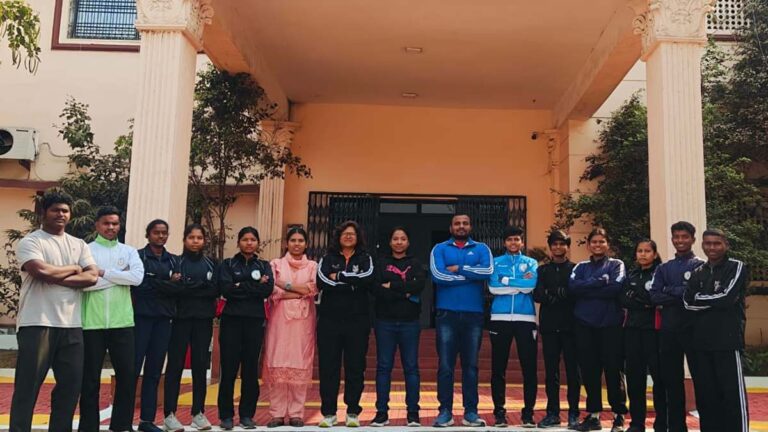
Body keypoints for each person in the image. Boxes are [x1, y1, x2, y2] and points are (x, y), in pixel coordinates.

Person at [9, 189, 99, 432]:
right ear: (43, 212)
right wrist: (73, 268)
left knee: (70, 389)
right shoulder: (32, 241)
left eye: (65, 210)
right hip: (37, 323)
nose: (61, 214)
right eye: (55, 210)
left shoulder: (79, 244)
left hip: (72, 326)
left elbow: (92, 277)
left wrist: (55, 275)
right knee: (28, 388)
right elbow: (41, 271)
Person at [79, 206, 144, 432]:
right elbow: (83, 284)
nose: (111, 227)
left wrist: (102, 273)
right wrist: (119, 277)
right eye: (106, 223)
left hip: (122, 323)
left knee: (127, 377)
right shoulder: (86, 250)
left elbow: (137, 278)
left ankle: (121, 425)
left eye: (115, 223)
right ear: (97, 225)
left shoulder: (129, 251)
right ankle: (88, 427)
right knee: (89, 380)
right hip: (91, 324)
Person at [429, 213, 493, 427]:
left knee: (471, 366)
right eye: (457, 223)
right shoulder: (439, 249)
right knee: (445, 365)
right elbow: (438, 276)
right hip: (446, 314)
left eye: (465, 223)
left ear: (470, 226)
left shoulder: (482, 248)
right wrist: (470, 277)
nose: (461, 226)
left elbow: (487, 272)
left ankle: (471, 412)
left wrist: (459, 269)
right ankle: (445, 411)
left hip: (473, 314)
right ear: (451, 228)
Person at [684, 229, 749, 432]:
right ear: (702, 245)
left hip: (727, 341)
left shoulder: (736, 267)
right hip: (701, 342)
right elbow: (687, 302)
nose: (712, 247)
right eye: (708, 243)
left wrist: (701, 298)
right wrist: (712, 300)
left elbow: (727, 298)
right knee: (707, 397)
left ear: (726, 245)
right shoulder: (698, 272)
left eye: (717, 243)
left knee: (732, 395)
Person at [316, 220, 375, 428]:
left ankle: (352, 411)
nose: (349, 236)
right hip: (329, 321)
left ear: (358, 238)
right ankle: (329, 413)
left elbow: (367, 278)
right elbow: (322, 281)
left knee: (355, 367)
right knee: (328, 367)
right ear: (338, 237)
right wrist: (351, 284)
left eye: (353, 234)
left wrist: (340, 277)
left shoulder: (366, 259)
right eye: (345, 234)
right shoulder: (327, 258)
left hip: (357, 321)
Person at [569, 228, 628, 432]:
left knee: (613, 371)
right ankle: (593, 416)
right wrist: (599, 282)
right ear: (588, 245)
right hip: (585, 326)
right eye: (594, 241)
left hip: (610, 326)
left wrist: (587, 288)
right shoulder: (581, 266)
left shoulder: (617, 265)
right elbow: (573, 288)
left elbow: (615, 289)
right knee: (589, 372)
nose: (597, 245)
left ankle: (618, 415)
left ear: (607, 244)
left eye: (602, 241)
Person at [649, 221, 705, 432]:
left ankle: (708, 425)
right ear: (672, 239)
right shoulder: (664, 268)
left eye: (684, 237)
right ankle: (676, 427)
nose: (680, 241)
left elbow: (697, 294)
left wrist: (670, 291)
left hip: (694, 331)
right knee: (672, 382)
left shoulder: (701, 266)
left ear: (693, 239)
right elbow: (654, 296)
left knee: (701, 379)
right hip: (669, 331)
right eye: (676, 237)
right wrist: (681, 292)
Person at [216, 227, 274, 430]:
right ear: (238, 242)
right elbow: (226, 289)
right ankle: (226, 416)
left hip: (254, 322)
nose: (249, 243)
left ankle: (247, 415)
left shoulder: (264, 265)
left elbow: (266, 290)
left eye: (253, 239)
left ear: (257, 243)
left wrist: (240, 285)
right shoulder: (228, 264)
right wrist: (253, 284)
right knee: (228, 370)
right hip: (231, 321)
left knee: (250, 370)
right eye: (245, 239)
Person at [163, 224, 219, 431]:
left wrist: (188, 286)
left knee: (200, 365)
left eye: (199, 238)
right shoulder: (176, 262)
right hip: (180, 320)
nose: (195, 241)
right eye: (191, 237)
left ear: (204, 241)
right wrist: (199, 286)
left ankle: (198, 413)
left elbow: (215, 290)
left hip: (203, 320)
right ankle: (169, 414)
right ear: (184, 239)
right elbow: (174, 289)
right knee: (175, 365)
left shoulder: (211, 264)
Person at [370, 227, 425, 427]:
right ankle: (381, 412)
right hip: (385, 322)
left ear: (408, 242)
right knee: (384, 368)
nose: (399, 242)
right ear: (390, 242)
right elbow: (376, 288)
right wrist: (404, 293)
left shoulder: (415, 263)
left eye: (403, 238)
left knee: (411, 368)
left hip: (410, 322)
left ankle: (413, 413)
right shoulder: (381, 263)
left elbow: (419, 285)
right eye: (395, 238)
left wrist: (392, 285)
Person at [264, 227, 318, 428]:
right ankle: (277, 414)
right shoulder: (276, 265)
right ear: (286, 243)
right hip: (279, 321)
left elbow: (312, 289)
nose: (296, 244)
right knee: (277, 361)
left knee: (300, 362)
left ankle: (296, 413)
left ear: (306, 244)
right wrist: (299, 292)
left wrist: (285, 286)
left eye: (300, 241)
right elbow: (272, 290)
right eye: (293, 240)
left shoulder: (312, 266)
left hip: (303, 322)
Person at [133, 219, 181, 432]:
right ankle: (124, 418)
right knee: (133, 369)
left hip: (163, 320)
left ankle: (147, 420)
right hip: (141, 319)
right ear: (148, 234)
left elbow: (179, 289)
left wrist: (157, 283)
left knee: (154, 371)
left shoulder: (174, 260)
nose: (160, 236)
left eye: (164, 233)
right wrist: (168, 284)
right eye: (156, 232)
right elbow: (139, 286)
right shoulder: (138, 256)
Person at [488, 226, 538, 427]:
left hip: (525, 318)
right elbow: (493, 287)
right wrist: (518, 284)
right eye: (510, 239)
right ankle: (499, 413)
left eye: (517, 239)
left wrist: (506, 280)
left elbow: (530, 286)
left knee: (529, 367)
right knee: (498, 367)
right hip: (499, 318)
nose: (513, 243)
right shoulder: (495, 262)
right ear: (504, 242)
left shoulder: (531, 262)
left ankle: (528, 413)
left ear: (522, 242)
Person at [534, 230, 581, 430]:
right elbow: (538, 295)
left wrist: (553, 294)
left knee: (572, 372)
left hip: (571, 327)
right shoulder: (543, 270)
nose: (558, 247)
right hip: (549, 327)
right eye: (555, 244)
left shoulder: (576, 269)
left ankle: (573, 413)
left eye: (562, 244)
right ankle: (552, 413)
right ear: (550, 247)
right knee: (551, 372)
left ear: (567, 247)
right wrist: (559, 293)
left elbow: (575, 293)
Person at [619, 239, 666, 432]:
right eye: (640, 251)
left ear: (654, 254)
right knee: (635, 380)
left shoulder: (660, 273)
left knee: (659, 378)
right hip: (632, 330)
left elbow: (655, 298)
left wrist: (638, 298)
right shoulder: (631, 274)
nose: (643, 254)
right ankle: (637, 423)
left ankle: (661, 423)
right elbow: (623, 299)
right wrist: (643, 301)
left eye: (647, 251)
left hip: (653, 332)